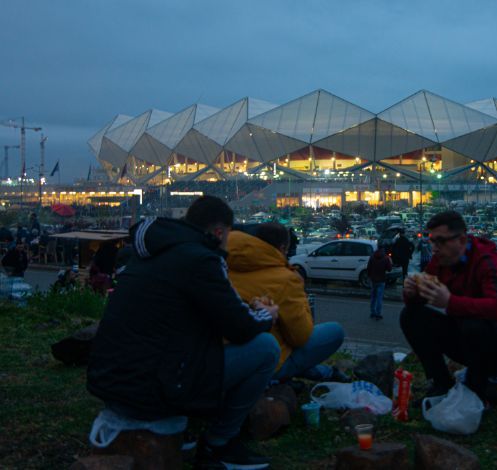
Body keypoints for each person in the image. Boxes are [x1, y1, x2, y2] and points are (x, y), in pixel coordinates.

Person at [87, 196, 280, 469]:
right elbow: (242, 328)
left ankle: (189, 429)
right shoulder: (201, 259)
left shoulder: (149, 253)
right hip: (154, 388)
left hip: (111, 383)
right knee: (265, 348)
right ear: (219, 232)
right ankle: (219, 443)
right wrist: (267, 314)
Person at [400, 210, 497, 403]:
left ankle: (475, 392)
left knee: (474, 324)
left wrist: (450, 302)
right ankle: (441, 383)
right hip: (467, 338)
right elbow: (423, 299)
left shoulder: (486, 260)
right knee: (411, 316)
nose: (434, 248)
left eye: (440, 241)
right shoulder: (441, 260)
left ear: (461, 240)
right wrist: (412, 293)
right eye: (432, 241)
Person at [225, 222, 346, 383]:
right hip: (267, 361)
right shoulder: (285, 278)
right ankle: (293, 372)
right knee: (335, 331)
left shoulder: (222, 262)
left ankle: (316, 371)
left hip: (228, 353)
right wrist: (300, 292)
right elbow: (301, 337)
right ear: (283, 248)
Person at [366, 244, 392, 320]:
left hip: (373, 280)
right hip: (381, 280)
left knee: (373, 297)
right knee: (379, 298)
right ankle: (378, 313)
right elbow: (389, 269)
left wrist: (369, 277)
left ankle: (372, 312)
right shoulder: (386, 258)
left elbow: (368, 268)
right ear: (383, 250)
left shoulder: (372, 257)